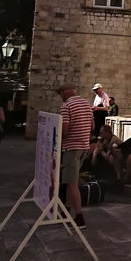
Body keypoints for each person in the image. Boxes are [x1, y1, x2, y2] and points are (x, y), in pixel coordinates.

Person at [57, 82, 94, 229]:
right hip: (84, 146)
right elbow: (92, 127)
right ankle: (66, 211)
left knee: (72, 183)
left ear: (64, 93)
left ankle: (79, 218)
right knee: (69, 180)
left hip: (71, 147)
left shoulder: (67, 106)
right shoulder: (86, 104)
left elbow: (64, 131)